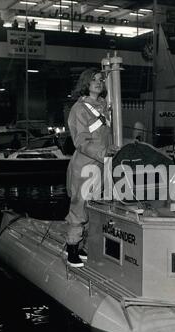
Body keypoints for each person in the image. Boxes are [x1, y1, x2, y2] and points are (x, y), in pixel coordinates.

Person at [65, 68, 119, 267]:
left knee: (95, 208)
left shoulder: (104, 106)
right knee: (79, 208)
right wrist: (103, 151)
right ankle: (72, 249)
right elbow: (80, 140)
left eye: (100, 80)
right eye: (93, 80)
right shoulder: (79, 109)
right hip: (85, 165)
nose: (98, 83)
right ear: (85, 84)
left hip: (102, 165)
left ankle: (84, 246)